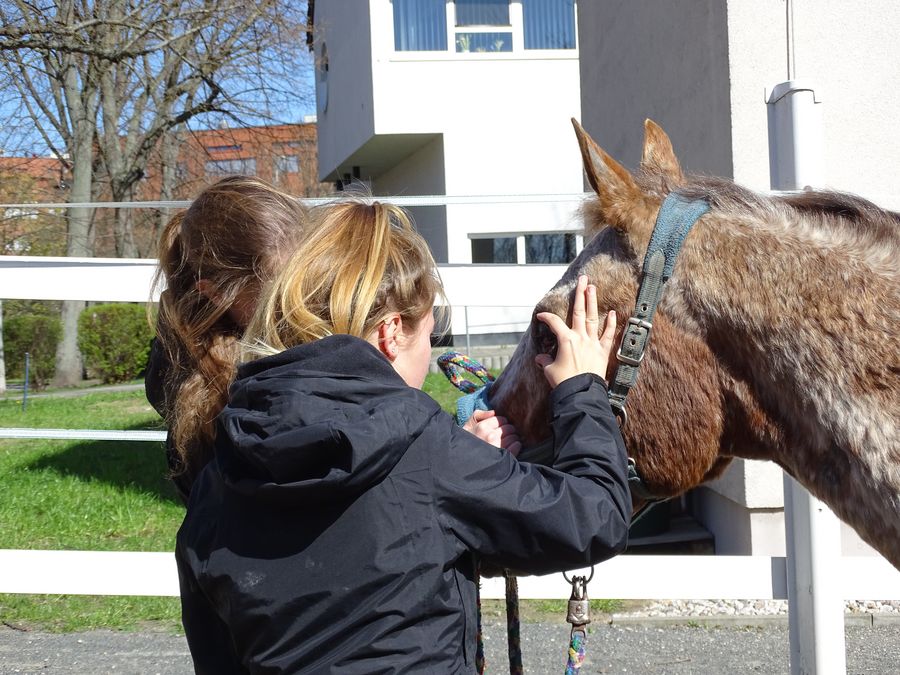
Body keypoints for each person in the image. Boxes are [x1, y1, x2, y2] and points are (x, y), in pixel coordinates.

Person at [176, 198, 631, 673]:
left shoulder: (215, 481)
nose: (429, 357)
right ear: (392, 332)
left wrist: (462, 463)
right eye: (429, 339)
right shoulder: (428, 453)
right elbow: (595, 517)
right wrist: (583, 390)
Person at [145, 176, 307, 504]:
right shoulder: (198, 381)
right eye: (279, 296)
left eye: (313, 282)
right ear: (217, 294)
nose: (305, 307)